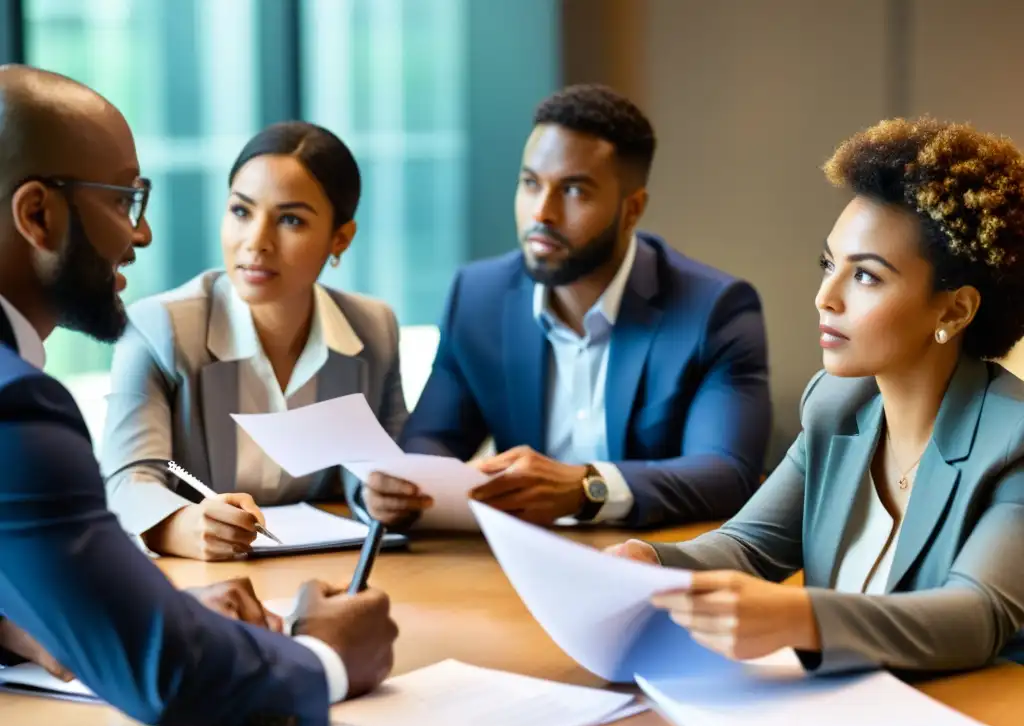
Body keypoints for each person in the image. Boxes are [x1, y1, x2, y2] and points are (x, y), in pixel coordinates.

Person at [0, 64, 397, 726]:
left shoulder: (372, 325)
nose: (142, 233)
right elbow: (162, 672)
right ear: (38, 214)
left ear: (339, 239)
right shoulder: (19, 409)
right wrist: (322, 655)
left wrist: (26, 625)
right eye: (125, 201)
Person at [610, 116, 1024, 675]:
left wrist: (800, 616)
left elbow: (977, 616)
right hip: (837, 721)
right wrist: (649, 562)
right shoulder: (836, 405)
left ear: (954, 309)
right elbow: (748, 549)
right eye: (830, 265)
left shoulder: (1013, 439)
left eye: (867, 277)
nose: (825, 298)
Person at [364, 84, 771, 531]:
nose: (543, 213)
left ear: (631, 209)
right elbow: (432, 437)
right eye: (530, 183)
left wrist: (587, 487)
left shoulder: (714, 310)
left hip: (652, 563)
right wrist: (401, 487)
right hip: (516, 563)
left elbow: (727, 472)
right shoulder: (478, 296)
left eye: (574, 191)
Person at [100, 121, 407, 560]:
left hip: (328, 567)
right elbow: (126, 480)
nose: (256, 242)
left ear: (341, 238)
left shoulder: (372, 329)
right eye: (241, 211)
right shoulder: (159, 328)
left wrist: (386, 496)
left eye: (290, 220)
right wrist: (181, 525)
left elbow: (388, 471)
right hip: (201, 582)